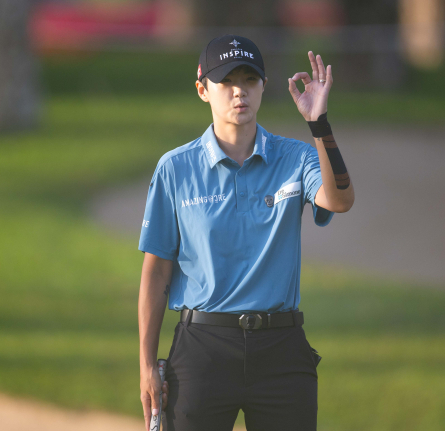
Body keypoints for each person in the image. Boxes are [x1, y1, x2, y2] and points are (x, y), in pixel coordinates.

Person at [138, 34, 354, 431]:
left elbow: (339, 200)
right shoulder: (174, 168)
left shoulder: (297, 157)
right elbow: (157, 272)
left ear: (263, 87)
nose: (240, 91)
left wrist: (318, 124)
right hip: (202, 349)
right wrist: (147, 365)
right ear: (203, 90)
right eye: (227, 81)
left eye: (250, 80)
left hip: (282, 350)